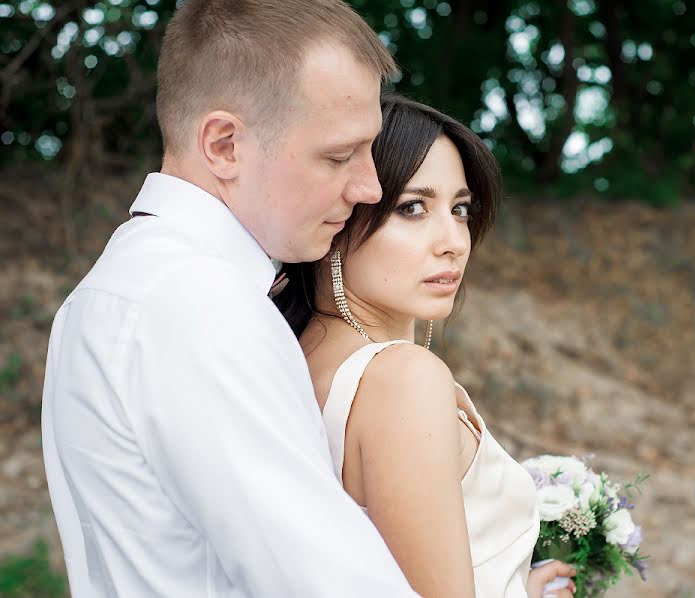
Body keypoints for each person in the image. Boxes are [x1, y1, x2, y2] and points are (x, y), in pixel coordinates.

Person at [41, 1, 419, 595]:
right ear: (223, 145)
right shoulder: (196, 305)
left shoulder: (124, 289)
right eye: (339, 155)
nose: (370, 186)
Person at [272, 95, 577, 598]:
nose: (455, 240)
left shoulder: (293, 357)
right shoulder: (405, 379)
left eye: (460, 209)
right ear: (337, 216)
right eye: (412, 208)